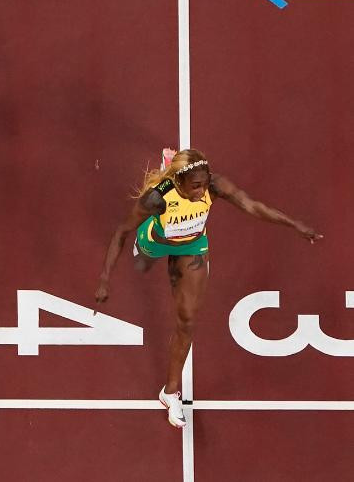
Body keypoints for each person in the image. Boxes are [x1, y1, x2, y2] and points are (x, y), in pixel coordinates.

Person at [95, 148, 321, 428]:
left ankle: (170, 393)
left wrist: (294, 224)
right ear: (179, 183)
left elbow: (252, 205)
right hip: (156, 240)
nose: (203, 191)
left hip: (192, 246)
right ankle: (166, 176)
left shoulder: (213, 185)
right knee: (141, 265)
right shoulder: (157, 198)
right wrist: (105, 278)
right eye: (196, 186)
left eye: (205, 183)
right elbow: (121, 231)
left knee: (187, 322)